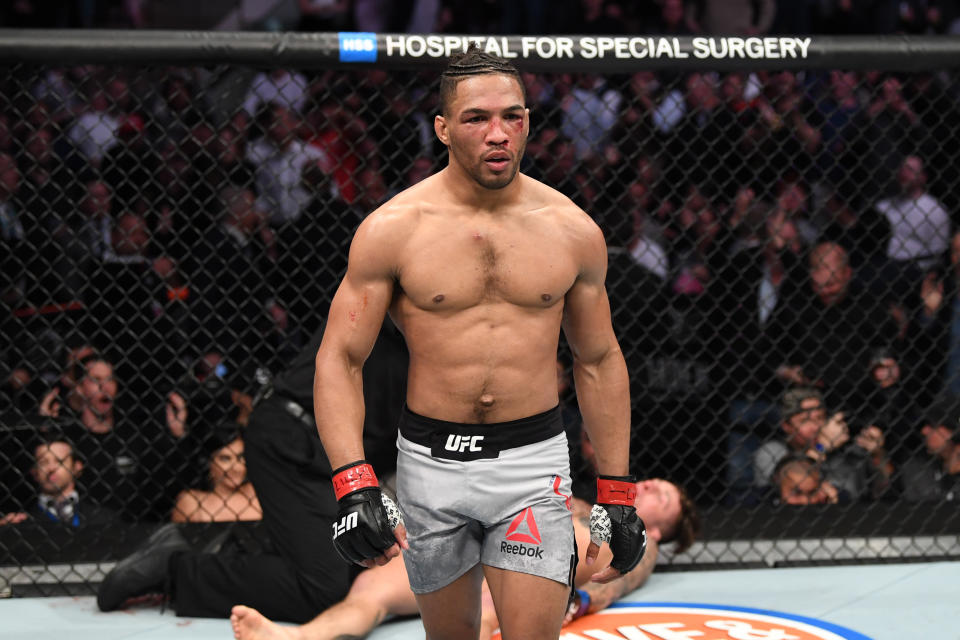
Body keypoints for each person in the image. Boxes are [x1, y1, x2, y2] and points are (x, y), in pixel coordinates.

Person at [311, 47, 645, 640]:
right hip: (429, 465)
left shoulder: (571, 231)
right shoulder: (394, 230)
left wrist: (616, 492)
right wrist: (353, 481)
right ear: (442, 128)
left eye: (512, 117)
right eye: (476, 119)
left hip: (531, 461)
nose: (498, 134)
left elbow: (597, 360)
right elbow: (341, 357)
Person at [96, 318, 408, 622]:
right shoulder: (389, 292)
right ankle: (175, 568)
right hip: (294, 438)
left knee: (357, 564)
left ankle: (237, 551)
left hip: (336, 455)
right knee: (326, 590)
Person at [229, 478, 700, 640]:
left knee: (488, 612)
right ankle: (297, 636)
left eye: (664, 496)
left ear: (659, 529)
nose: (653, 486)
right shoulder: (585, 502)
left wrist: (580, 600)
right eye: (658, 482)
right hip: (475, 540)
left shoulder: (639, 540)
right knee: (371, 593)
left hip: (524, 570)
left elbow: (623, 578)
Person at [0, 433, 120, 527]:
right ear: (34, 472)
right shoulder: (20, 524)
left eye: (60, 461)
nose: (51, 468)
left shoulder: (104, 519)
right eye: (43, 462)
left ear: (77, 467)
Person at [170, 426, 262, 523]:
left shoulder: (258, 493)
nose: (236, 467)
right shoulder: (192, 502)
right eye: (225, 459)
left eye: (240, 457)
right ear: (208, 462)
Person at [897, 394, 960, 501]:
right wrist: (949, 474)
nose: (924, 431)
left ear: (952, 432)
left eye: (933, 426)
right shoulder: (916, 467)